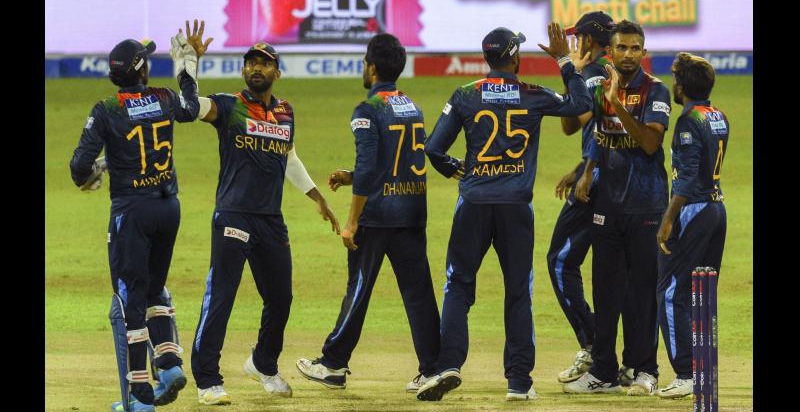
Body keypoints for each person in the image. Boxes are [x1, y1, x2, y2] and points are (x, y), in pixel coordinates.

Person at [416, 23, 593, 402]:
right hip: (515, 208)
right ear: (514, 57)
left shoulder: (464, 94)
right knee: (517, 293)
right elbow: (581, 105)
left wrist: (452, 167)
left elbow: (432, 149)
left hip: (473, 205)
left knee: (459, 287)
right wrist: (564, 60)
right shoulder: (532, 94)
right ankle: (518, 382)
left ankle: (448, 365)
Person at [183, 23, 341, 406]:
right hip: (234, 215)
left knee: (281, 298)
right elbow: (189, 109)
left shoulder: (286, 111)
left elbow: (287, 155)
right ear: (243, 71)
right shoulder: (228, 105)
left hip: (270, 219)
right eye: (251, 62)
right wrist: (189, 62)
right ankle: (207, 380)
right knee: (221, 296)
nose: (257, 68)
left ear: (277, 72)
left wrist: (317, 197)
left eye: (265, 63)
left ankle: (263, 364)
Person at [295, 33, 441, 393]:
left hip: (377, 217)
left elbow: (371, 164)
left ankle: (332, 364)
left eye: (365, 62)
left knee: (358, 288)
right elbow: (396, 163)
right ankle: (434, 368)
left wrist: (352, 220)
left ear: (372, 68)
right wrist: (351, 177)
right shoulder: (412, 105)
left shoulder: (367, 109)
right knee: (419, 293)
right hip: (411, 213)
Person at [69, 24, 204, 411]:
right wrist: (186, 68)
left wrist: (99, 167)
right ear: (142, 69)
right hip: (168, 207)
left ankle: (141, 397)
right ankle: (170, 362)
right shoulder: (163, 97)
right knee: (156, 287)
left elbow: (80, 168)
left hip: (132, 212)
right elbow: (191, 107)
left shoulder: (107, 110)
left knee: (131, 299)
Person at [567, 19, 671, 396]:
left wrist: (616, 104)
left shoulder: (656, 91)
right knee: (606, 291)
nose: (628, 54)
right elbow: (591, 130)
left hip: (645, 205)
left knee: (641, 292)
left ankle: (645, 370)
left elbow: (648, 144)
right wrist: (587, 169)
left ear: (643, 51)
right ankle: (604, 372)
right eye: (622, 48)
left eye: (635, 47)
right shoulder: (601, 88)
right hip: (606, 204)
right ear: (610, 52)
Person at [548, 11, 636, 387]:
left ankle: (595, 349)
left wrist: (568, 68)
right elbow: (584, 125)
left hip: (598, 183)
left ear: (586, 39)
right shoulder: (601, 71)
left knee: (561, 262)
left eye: (575, 38)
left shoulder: (593, 72)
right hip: (608, 177)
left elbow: (574, 121)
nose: (572, 43)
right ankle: (623, 360)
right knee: (613, 272)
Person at [654, 52, 728, 398]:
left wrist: (667, 221)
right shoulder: (717, 116)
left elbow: (684, 180)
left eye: (675, 79)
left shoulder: (687, 122)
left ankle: (686, 373)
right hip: (717, 208)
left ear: (681, 87)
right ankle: (704, 370)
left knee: (670, 293)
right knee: (702, 295)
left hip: (693, 210)